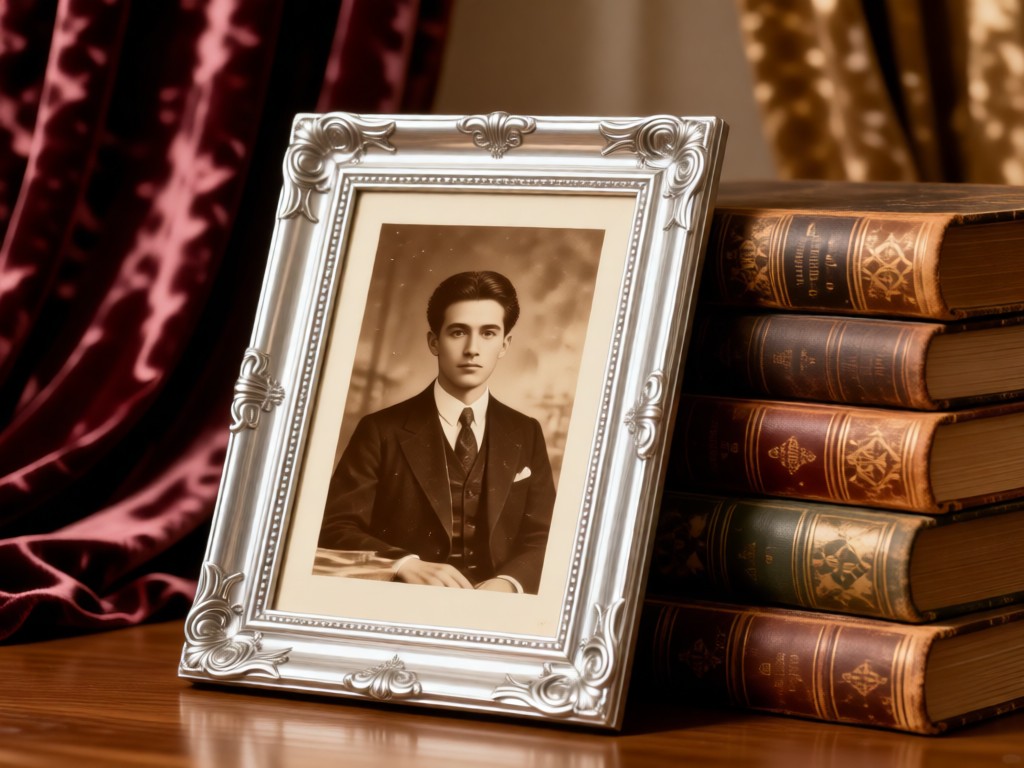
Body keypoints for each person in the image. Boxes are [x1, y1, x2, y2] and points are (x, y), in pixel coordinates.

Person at [317, 270, 556, 594]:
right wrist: (404, 564)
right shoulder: (379, 429)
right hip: (401, 601)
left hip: (498, 607)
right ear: (434, 341)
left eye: (488, 333)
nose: (472, 348)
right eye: (458, 332)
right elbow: (334, 526)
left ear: (504, 344)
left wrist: (508, 583)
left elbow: (544, 535)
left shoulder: (526, 432)